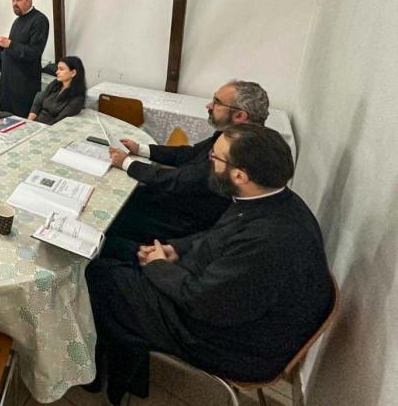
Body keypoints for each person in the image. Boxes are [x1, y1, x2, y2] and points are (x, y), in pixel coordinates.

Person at [86, 124, 333, 405]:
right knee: (113, 247)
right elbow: (216, 237)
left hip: (229, 342)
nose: (208, 162)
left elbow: (201, 301)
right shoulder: (269, 199)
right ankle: (118, 357)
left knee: (98, 276)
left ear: (240, 175)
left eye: (214, 158)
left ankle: (105, 374)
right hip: (220, 297)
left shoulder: (268, 241)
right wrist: (174, 249)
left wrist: (157, 266)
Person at [101, 80, 270, 260]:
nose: (209, 105)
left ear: (239, 115)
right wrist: (142, 149)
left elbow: (181, 179)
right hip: (179, 200)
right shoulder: (231, 134)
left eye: (217, 102)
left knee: (112, 220)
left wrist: (127, 163)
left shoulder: (241, 153)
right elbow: (190, 153)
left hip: (183, 221)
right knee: (126, 197)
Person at [0, 0, 50, 117]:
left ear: (29, 1)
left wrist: (10, 44)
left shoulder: (39, 20)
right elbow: (13, 48)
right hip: (9, 81)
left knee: (20, 122)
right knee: (4, 120)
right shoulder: (18, 21)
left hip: (24, 84)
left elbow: (34, 52)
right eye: (13, 0)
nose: (14, 3)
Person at [28, 56, 86, 124]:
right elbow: (39, 100)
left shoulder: (77, 98)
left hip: (50, 126)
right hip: (36, 122)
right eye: (58, 69)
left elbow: (60, 121)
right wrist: (29, 120)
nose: (57, 72)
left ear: (73, 73)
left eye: (61, 69)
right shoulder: (55, 84)